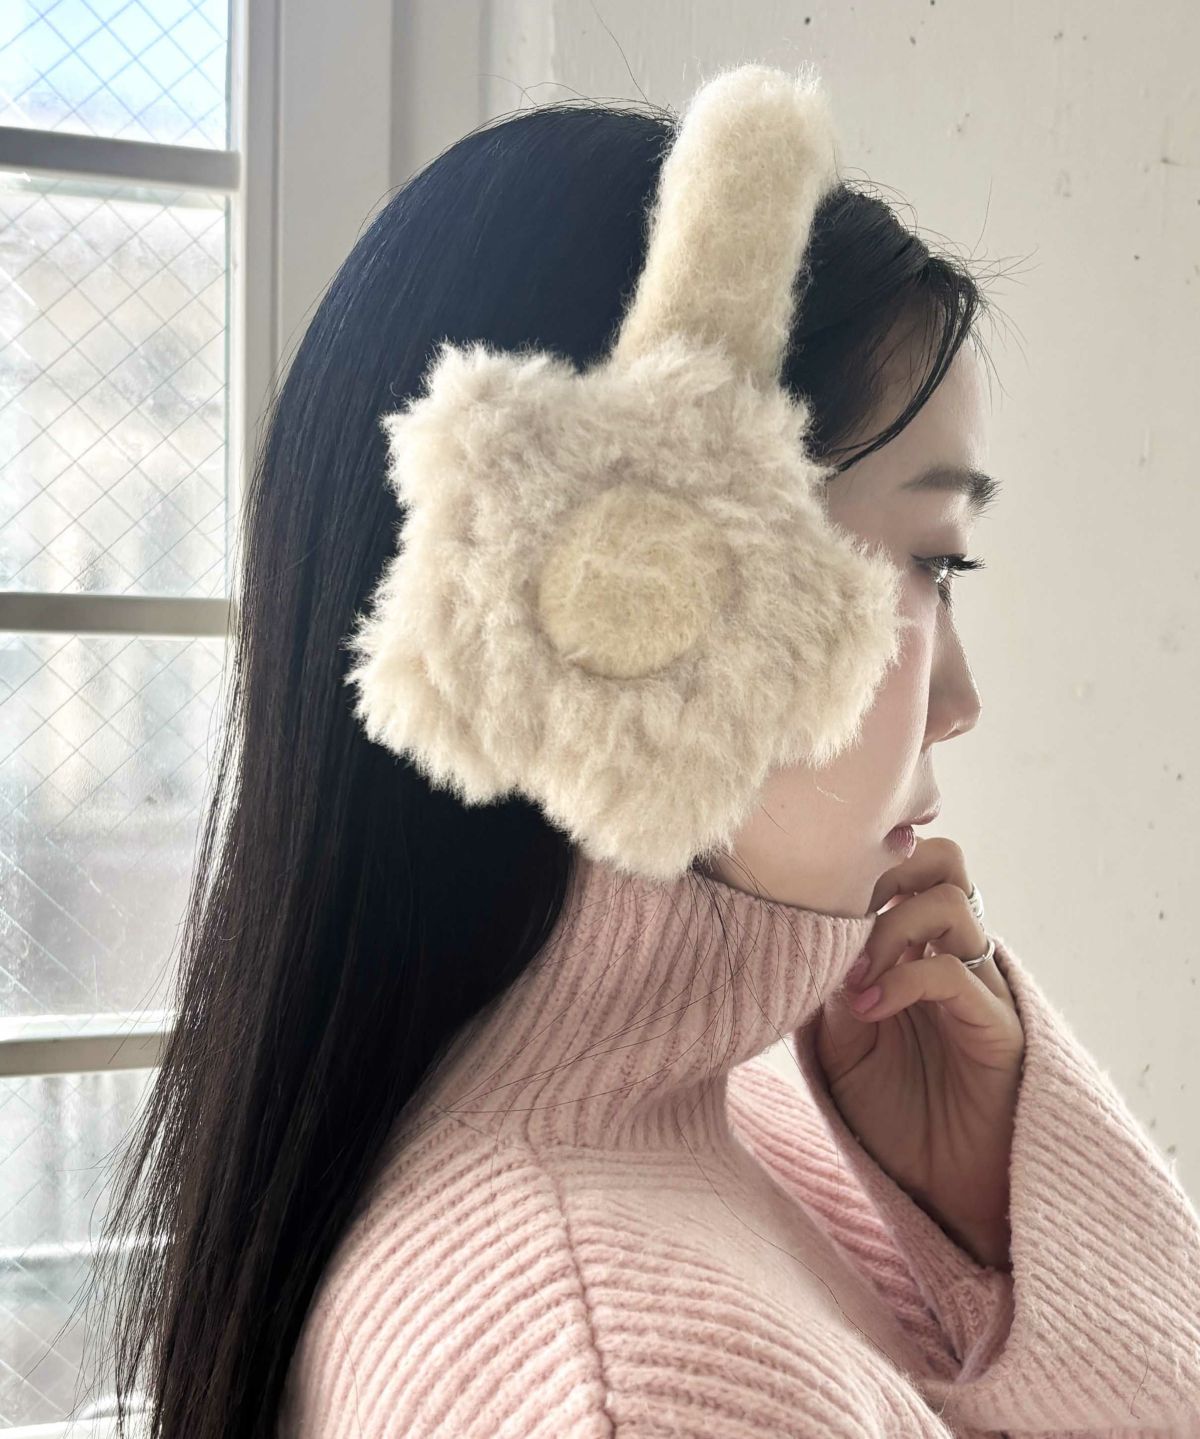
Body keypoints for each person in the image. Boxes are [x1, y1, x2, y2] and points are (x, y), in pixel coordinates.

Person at [81, 73, 1200, 1439]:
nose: (959, 700)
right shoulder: (631, 1379)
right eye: (930, 561)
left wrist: (990, 1246)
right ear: (638, 601)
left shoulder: (720, 1150)